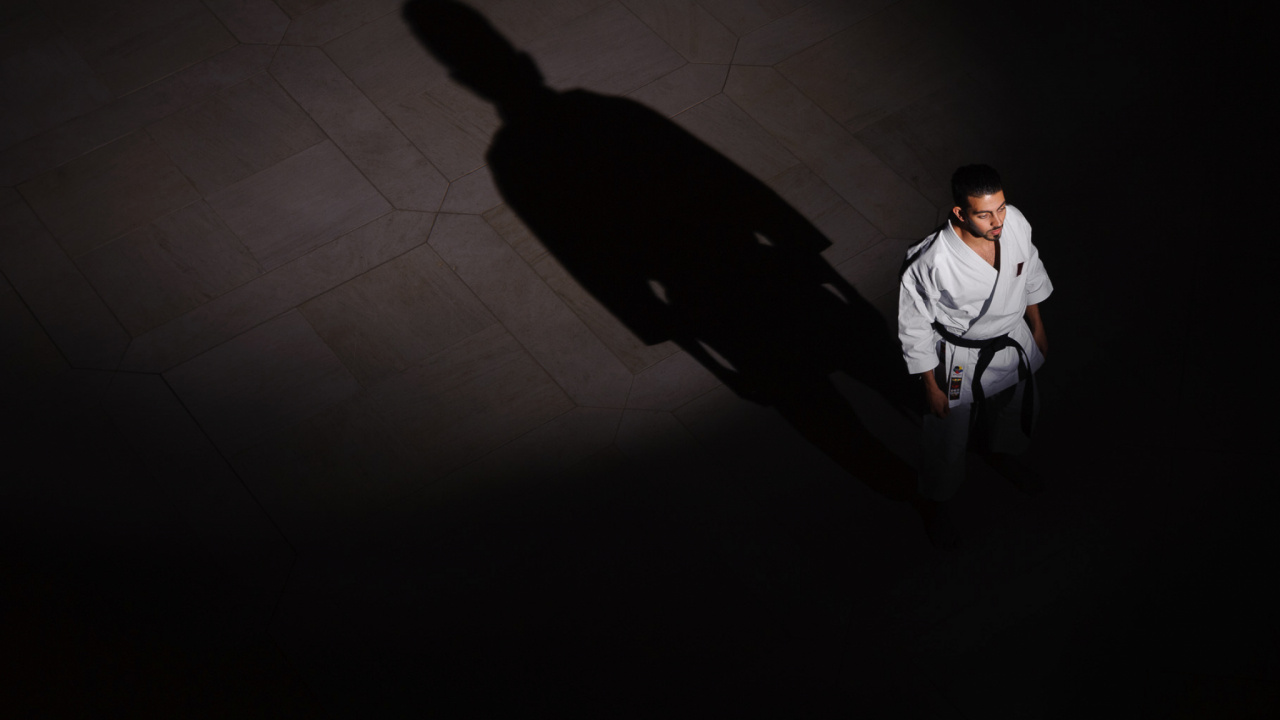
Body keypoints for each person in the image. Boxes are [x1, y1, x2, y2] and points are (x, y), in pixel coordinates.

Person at [898, 164, 1053, 548]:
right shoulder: (929, 261)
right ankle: (936, 501)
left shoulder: (1014, 222)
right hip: (960, 360)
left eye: (1000, 207)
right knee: (947, 438)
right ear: (960, 213)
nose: (997, 220)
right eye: (984, 213)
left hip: (1014, 340)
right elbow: (914, 327)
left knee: (1014, 408)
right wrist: (930, 385)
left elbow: (1028, 270)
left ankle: (1003, 454)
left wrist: (1038, 327)